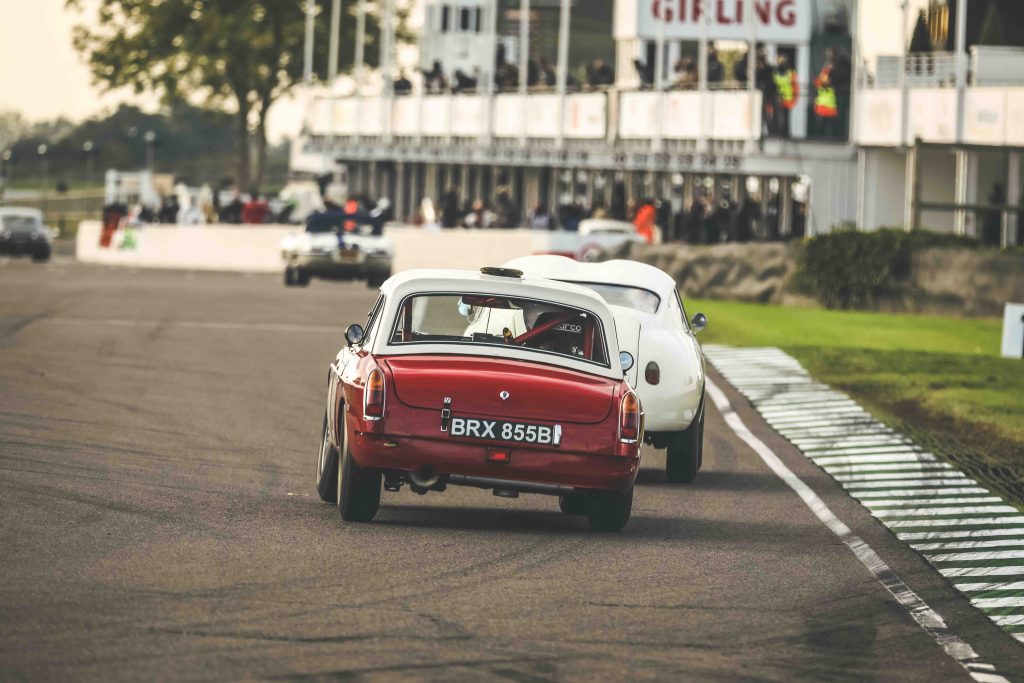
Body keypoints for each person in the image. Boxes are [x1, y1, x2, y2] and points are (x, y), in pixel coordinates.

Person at [813, 49, 840, 138]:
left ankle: (829, 137)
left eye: (830, 55)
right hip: (822, 104)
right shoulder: (825, 69)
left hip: (829, 104)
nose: (828, 58)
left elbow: (827, 81)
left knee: (830, 125)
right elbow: (819, 82)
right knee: (822, 125)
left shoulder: (834, 69)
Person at [772, 55, 798, 138]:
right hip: (778, 97)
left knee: (785, 118)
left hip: (787, 98)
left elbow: (795, 86)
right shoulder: (774, 72)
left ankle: (785, 134)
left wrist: (794, 98)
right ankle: (778, 133)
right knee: (777, 116)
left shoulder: (791, 72)